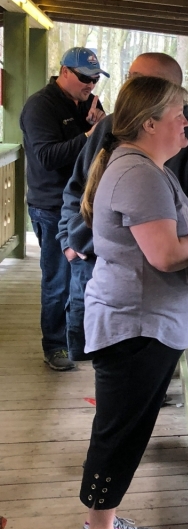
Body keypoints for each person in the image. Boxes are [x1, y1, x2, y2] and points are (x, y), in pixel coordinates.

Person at [75, 75, 188, 529]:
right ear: (148, 124)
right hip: (135, 326)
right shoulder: (139, 174)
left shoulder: (142, 167)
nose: (186, 123)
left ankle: (104, 524)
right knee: (119, 434)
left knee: (127, 430)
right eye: (178, 114)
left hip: (142, 324)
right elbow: (164, 254)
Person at [58, 53, 188, 362]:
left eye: (139, 80)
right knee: (93, 350)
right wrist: (69, 240)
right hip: (107, 272)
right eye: (130, 77)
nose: (127, 85)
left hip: (149, 296)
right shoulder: (123, 145)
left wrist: (165, 219)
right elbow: (78, 186)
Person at [20, 47, 108, 371]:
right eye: (85, 78)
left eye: (96, 79)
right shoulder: (39, 107)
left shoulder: (88, 104)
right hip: (50, 205)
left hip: (82, 206)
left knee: (81, 275)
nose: (91, 85)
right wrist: (89, 135)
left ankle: (77, 340)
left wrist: (100, 127)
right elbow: (46, 156)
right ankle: (54, 345)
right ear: (65, 72)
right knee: (57, 277)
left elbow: (101, 147)